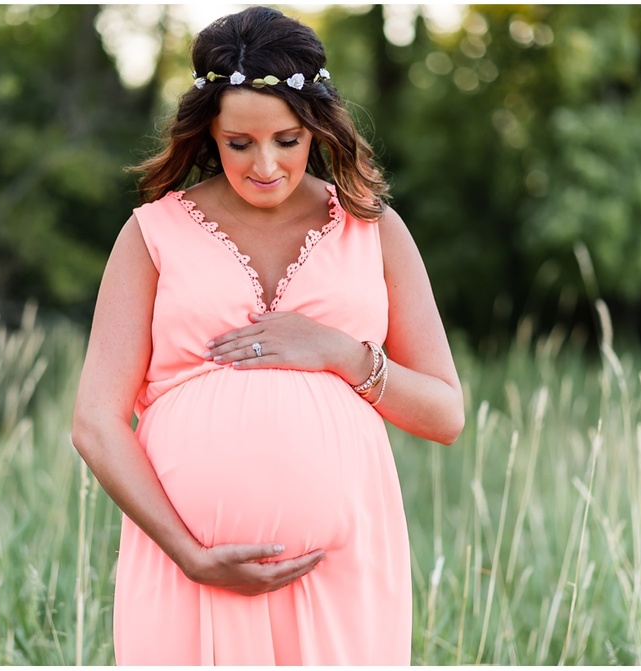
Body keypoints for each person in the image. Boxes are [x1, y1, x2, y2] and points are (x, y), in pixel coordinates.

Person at [71, 6, 464, 665]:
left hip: (341, 576)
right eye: (239, 143)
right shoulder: (152, 234)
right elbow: (95, 422)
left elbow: (446, 414)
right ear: (208, 135)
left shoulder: (374, 230)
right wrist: (190, 554)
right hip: (186, 572)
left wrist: (340, 353)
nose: (264, 165)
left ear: (316, 126)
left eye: (286, 140)